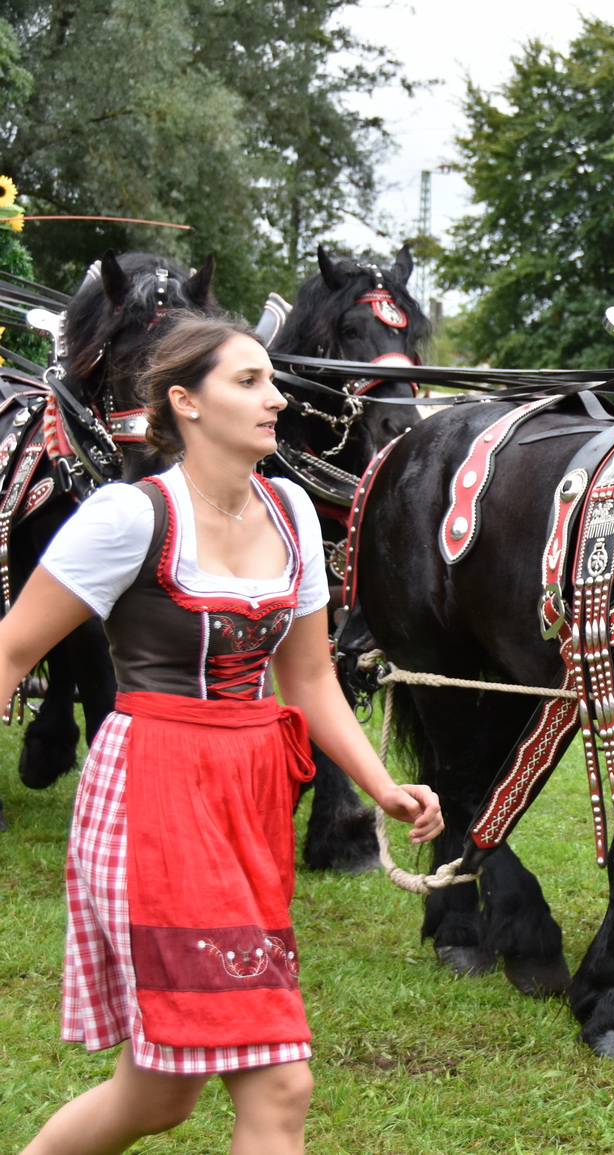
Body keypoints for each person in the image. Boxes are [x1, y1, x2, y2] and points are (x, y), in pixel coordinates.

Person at [13, 315, 443, 1155]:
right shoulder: (130, 518)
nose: (275, 397)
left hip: (247, 799)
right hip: (152, 799)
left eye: (271, 380)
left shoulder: (288, 511)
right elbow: (12, 649)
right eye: (248, 381)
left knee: (158, 1094)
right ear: (186, 401)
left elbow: (310, 677)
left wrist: (379, 783)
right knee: (281, 1081)